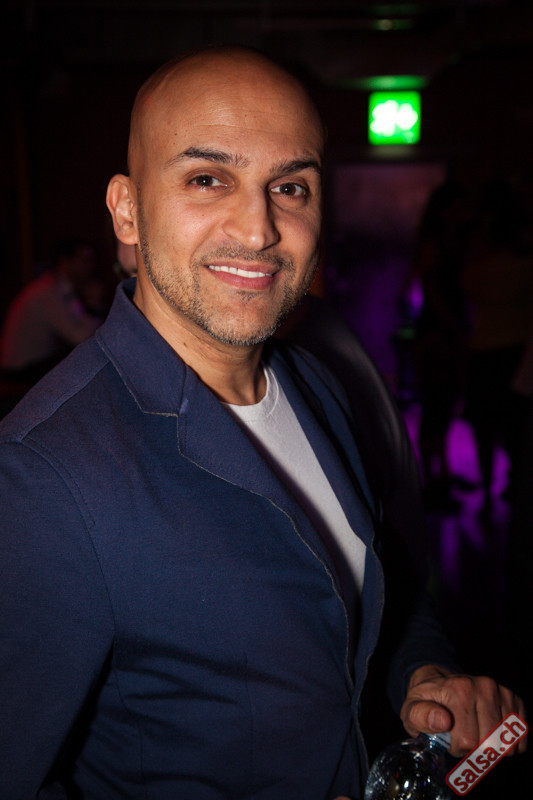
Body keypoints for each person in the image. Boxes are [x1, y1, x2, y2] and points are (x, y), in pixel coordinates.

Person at [0, 46, 525, 800]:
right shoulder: (40, 475)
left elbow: (378, 589)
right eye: (207, 179)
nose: (258, 231)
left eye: (289, 186)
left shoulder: (317, 382)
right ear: (127, 210)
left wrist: (424, 673)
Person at [0, 237, 102, 382]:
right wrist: (94, 305)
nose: (90, 266)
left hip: (35, 363)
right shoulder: (47, 291)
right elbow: (80, 338)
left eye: (91, 260)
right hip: (20, 370)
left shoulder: (61, 289)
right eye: (84, 260)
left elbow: (80, 328)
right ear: (65, 261)